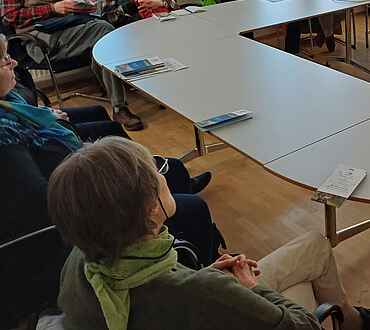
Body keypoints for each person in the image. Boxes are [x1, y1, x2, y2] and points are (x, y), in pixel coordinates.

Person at [50, 137, 370, 330]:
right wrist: (252, 289)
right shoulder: (201, 292)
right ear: (152, 209)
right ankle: (355, 325)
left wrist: (204, 278)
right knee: (314, 249)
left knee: (311, 248)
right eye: (155, 170)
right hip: (219, 307)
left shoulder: (81, 261)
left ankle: (355, 321)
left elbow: (163, 303)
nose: (163, 173)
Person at [0, 36, 214, 325]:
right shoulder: (4, 138)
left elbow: (34, 118)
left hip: (79, 180)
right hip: (75, 230)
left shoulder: (10, 104)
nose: (13, 62)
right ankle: (200, 280)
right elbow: (46, 205)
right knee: (194, 208)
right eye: (4, 60)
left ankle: (185, 235)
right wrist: (110, 178)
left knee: (173, 169)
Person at [0, 0, 143, 130]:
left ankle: (115, 98)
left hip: (70, 29)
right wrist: (52, 9)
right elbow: (8, 17)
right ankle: (119, 106)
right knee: (105, 31)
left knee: (104, 32)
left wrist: (86, 6)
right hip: (39, 40)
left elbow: (72, 2)